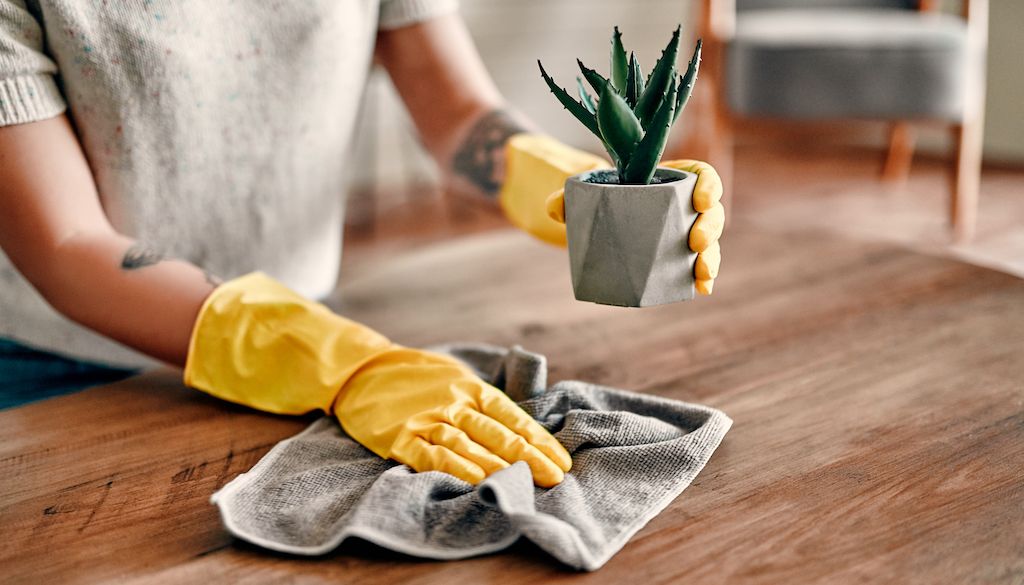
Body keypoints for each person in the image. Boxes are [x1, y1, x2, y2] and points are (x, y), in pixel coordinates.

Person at [0, 1, 723, 487]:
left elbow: (456, 109)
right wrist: (347, 364)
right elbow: (67, 242)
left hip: (305, 333)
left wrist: (570, 182)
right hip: (64, 372)